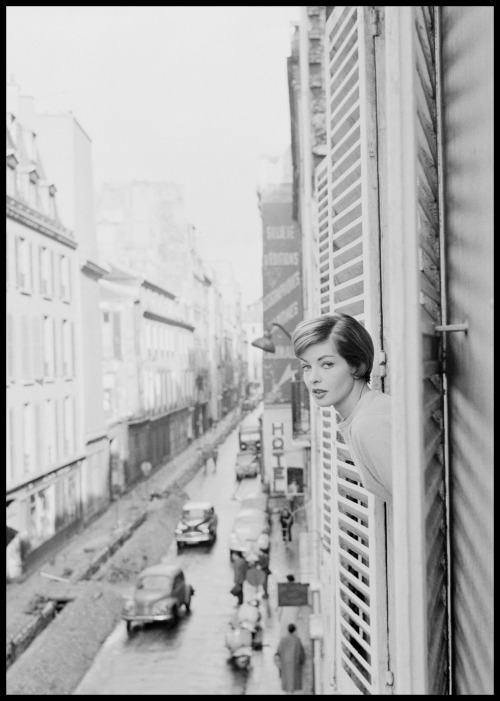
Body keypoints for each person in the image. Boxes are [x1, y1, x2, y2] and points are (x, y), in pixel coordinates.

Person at [292, 312, 392, 503]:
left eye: (327, 364)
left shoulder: (368, 424)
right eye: (306, 367)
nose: (313, 378)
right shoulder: (367, 411)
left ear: (357, 366)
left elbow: (415, 507)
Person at [274, 623, 306, 695]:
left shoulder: (283, 640)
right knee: (293, 684)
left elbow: (278, 652)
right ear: (295, 630)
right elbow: (301, 653)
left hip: (285, 665)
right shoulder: (297, 640)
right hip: (295, 665)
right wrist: (302, 661)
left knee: (287, 683)